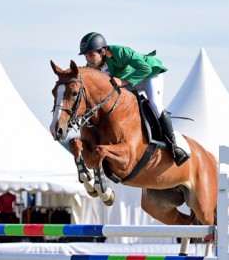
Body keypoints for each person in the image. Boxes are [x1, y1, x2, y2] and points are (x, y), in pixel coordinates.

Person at [78, 32, 189, 166]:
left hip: (150, 74)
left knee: (155, 104)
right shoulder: (91, 68)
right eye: (86, 56)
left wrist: (123, 81)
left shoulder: (119, 52)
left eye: (91, 55)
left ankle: (174, 146)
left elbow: (145, 68)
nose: (88, 59)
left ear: (102, 51)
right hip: (130, 82)